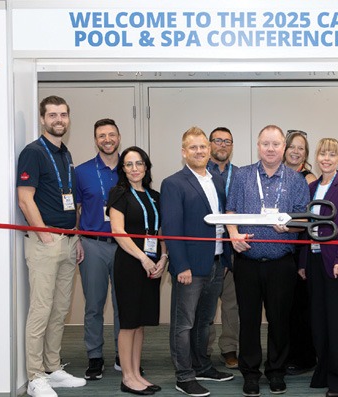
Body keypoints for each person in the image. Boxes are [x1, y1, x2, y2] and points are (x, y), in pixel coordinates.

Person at [226, 125, 310, 397]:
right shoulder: (242, 175)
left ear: (283, 147)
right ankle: (250, 373)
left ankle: (276, 371)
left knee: (279, 320)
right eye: (266, 144)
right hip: (247, 261)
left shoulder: (296, 180)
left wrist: (290, 227)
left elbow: (303, 219)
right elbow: (230, 211)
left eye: (275, 144)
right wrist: (233, 234)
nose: (270, 149)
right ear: (258, 146)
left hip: (281, 263)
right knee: (248, 320)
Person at [17, 95, 87, 397]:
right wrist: (44, 234)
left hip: (69, 240)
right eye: (53, 115)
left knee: (60, 310)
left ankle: (52, 367)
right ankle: (35, 376)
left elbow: (67, 199)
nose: (59, 120)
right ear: (43, 119)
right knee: (42, 309)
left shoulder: (64, 153)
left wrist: (76, 235)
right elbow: (25, 198)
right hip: (45, 242)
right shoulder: (33, 152)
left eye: (63, 115)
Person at [161, 127, 236, 397]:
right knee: (183, 324)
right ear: (184, 152)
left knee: (204, 321)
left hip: (216, 262)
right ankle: (184, 376)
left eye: (203, 147)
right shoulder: (173, 183)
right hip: (189, 268)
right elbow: (171, 228)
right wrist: (181, 265)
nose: (199, 151)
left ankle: (202, 366)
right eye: (193, 147)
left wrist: (225, 258)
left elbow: (223, 222)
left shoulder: (217, 181)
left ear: (209, 150)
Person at [297, 138, 338, 397]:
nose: (326, 159)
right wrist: (303, 262)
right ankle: (324, 372)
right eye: (322, 154)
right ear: (317, 157)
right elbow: (307, 228)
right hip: (315, 263)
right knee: (320, 322)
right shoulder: (311, 187)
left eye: (332, 154)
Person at [107, 146, 167, 395]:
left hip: (152, 263)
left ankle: (136, 373)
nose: (134, 169)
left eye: (139, 163)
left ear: (146, 166)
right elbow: (118, 232)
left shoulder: (155, 196)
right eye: (129, 164)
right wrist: (143, 258)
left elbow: (161, 231)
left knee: (141, 322)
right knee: (129, 322)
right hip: (131, 262)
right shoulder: (119, 194)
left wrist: (164, 257)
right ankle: (127, 377)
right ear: (123, 169)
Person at [74, 118, 121, 380]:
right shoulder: (82, 172)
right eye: (101, 135)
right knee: (94, 305)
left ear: (119, 138)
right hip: (93, 245)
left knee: (124, 304)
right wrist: (76, 239)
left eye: (111, 134)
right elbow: (75, 209)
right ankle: (95, 356)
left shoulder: (130, 168)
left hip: (125, 246)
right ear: (95, 140)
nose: (107, 139)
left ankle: (123, 355)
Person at [282, 129, 317, 376]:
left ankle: (303, 357)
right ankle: (285, 354)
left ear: (306, 153)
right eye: (292, 147)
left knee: (300, 306)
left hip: (301, 249)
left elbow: (309, 220)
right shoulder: (276, 174)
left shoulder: (309, 178)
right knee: (282, 306)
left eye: (301, 148)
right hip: (279, 246)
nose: (295, 151)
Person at [206, 127, 241, 370]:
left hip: (234, 247)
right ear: (210, 144)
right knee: (206, 305)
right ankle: (203, 349)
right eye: (218, 140)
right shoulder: (200, 173)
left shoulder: (240, 175)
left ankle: (229, 348)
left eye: (227, 141)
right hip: (207, 248)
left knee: (231, 304)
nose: (222, 145)